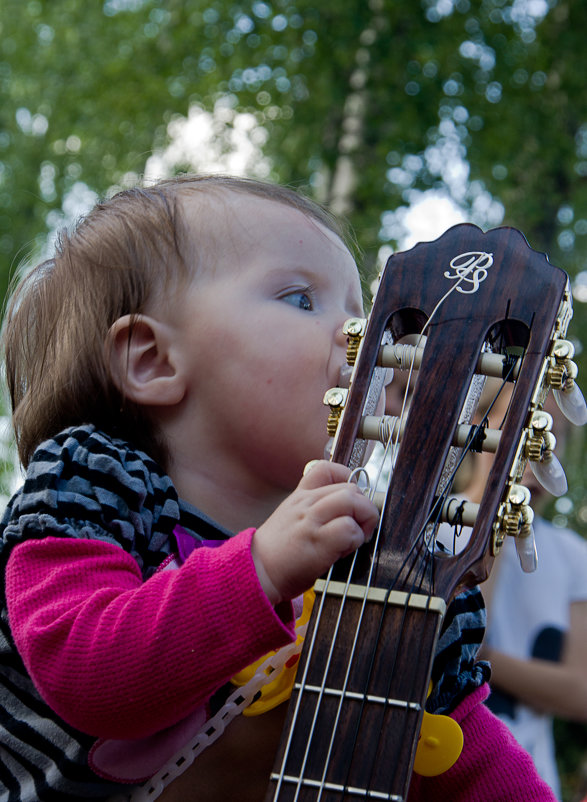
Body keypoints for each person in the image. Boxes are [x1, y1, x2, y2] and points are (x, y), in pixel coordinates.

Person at [0, 174, 555, 801]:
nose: (363, 340)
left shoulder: (382, 562)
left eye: (366, 314)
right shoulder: (96, 490)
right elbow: (85, 672)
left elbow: (475, 764)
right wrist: (260, 569)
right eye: (300, 298)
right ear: (151, 360)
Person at [466, 389, 587, 800]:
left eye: (552, 437)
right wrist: (493, 508)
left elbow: (580, 691)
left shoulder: (572, 555)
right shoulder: (436, 527)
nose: (536, 451)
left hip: (532, 782)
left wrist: (487, 662)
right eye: (523, 428)